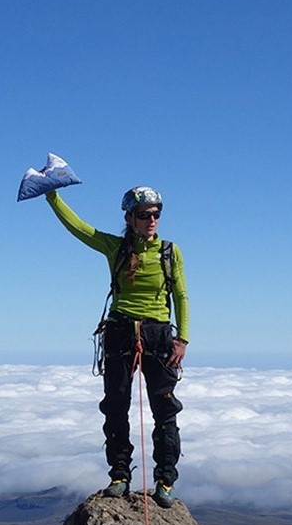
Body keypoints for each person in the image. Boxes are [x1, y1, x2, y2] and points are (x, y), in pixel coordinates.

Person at [45, 185, 189, 507]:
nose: (152, 220)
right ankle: (120, 474)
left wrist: (182, 339)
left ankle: (166, 479)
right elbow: (80, 228)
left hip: (159, 334)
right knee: (115, 405)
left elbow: (181, 296)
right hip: (121, 331)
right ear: (129, 217)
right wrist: (52, 196)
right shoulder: (116, 247)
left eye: (156, 213)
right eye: (144, 215)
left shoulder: (169, 252)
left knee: (165, 409)